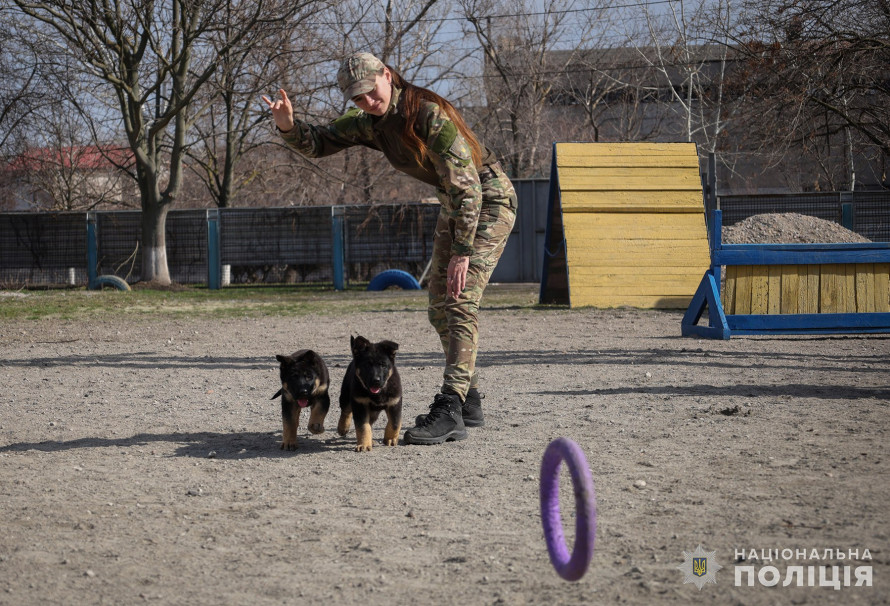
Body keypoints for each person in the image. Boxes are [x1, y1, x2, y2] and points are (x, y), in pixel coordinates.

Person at [262, 52, 517, 445]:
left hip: (486, 200)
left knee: (461, 300)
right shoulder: (371, 123)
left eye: (370, 91)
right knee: (438, 308)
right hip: (454, 207)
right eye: (357, 99)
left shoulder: (428, 114)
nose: (366, 102)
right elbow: (319, 141)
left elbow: (468, 186)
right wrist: (288, 127)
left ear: (387, 75)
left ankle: (450, 406)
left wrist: (463, 252)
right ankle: (470, 398)